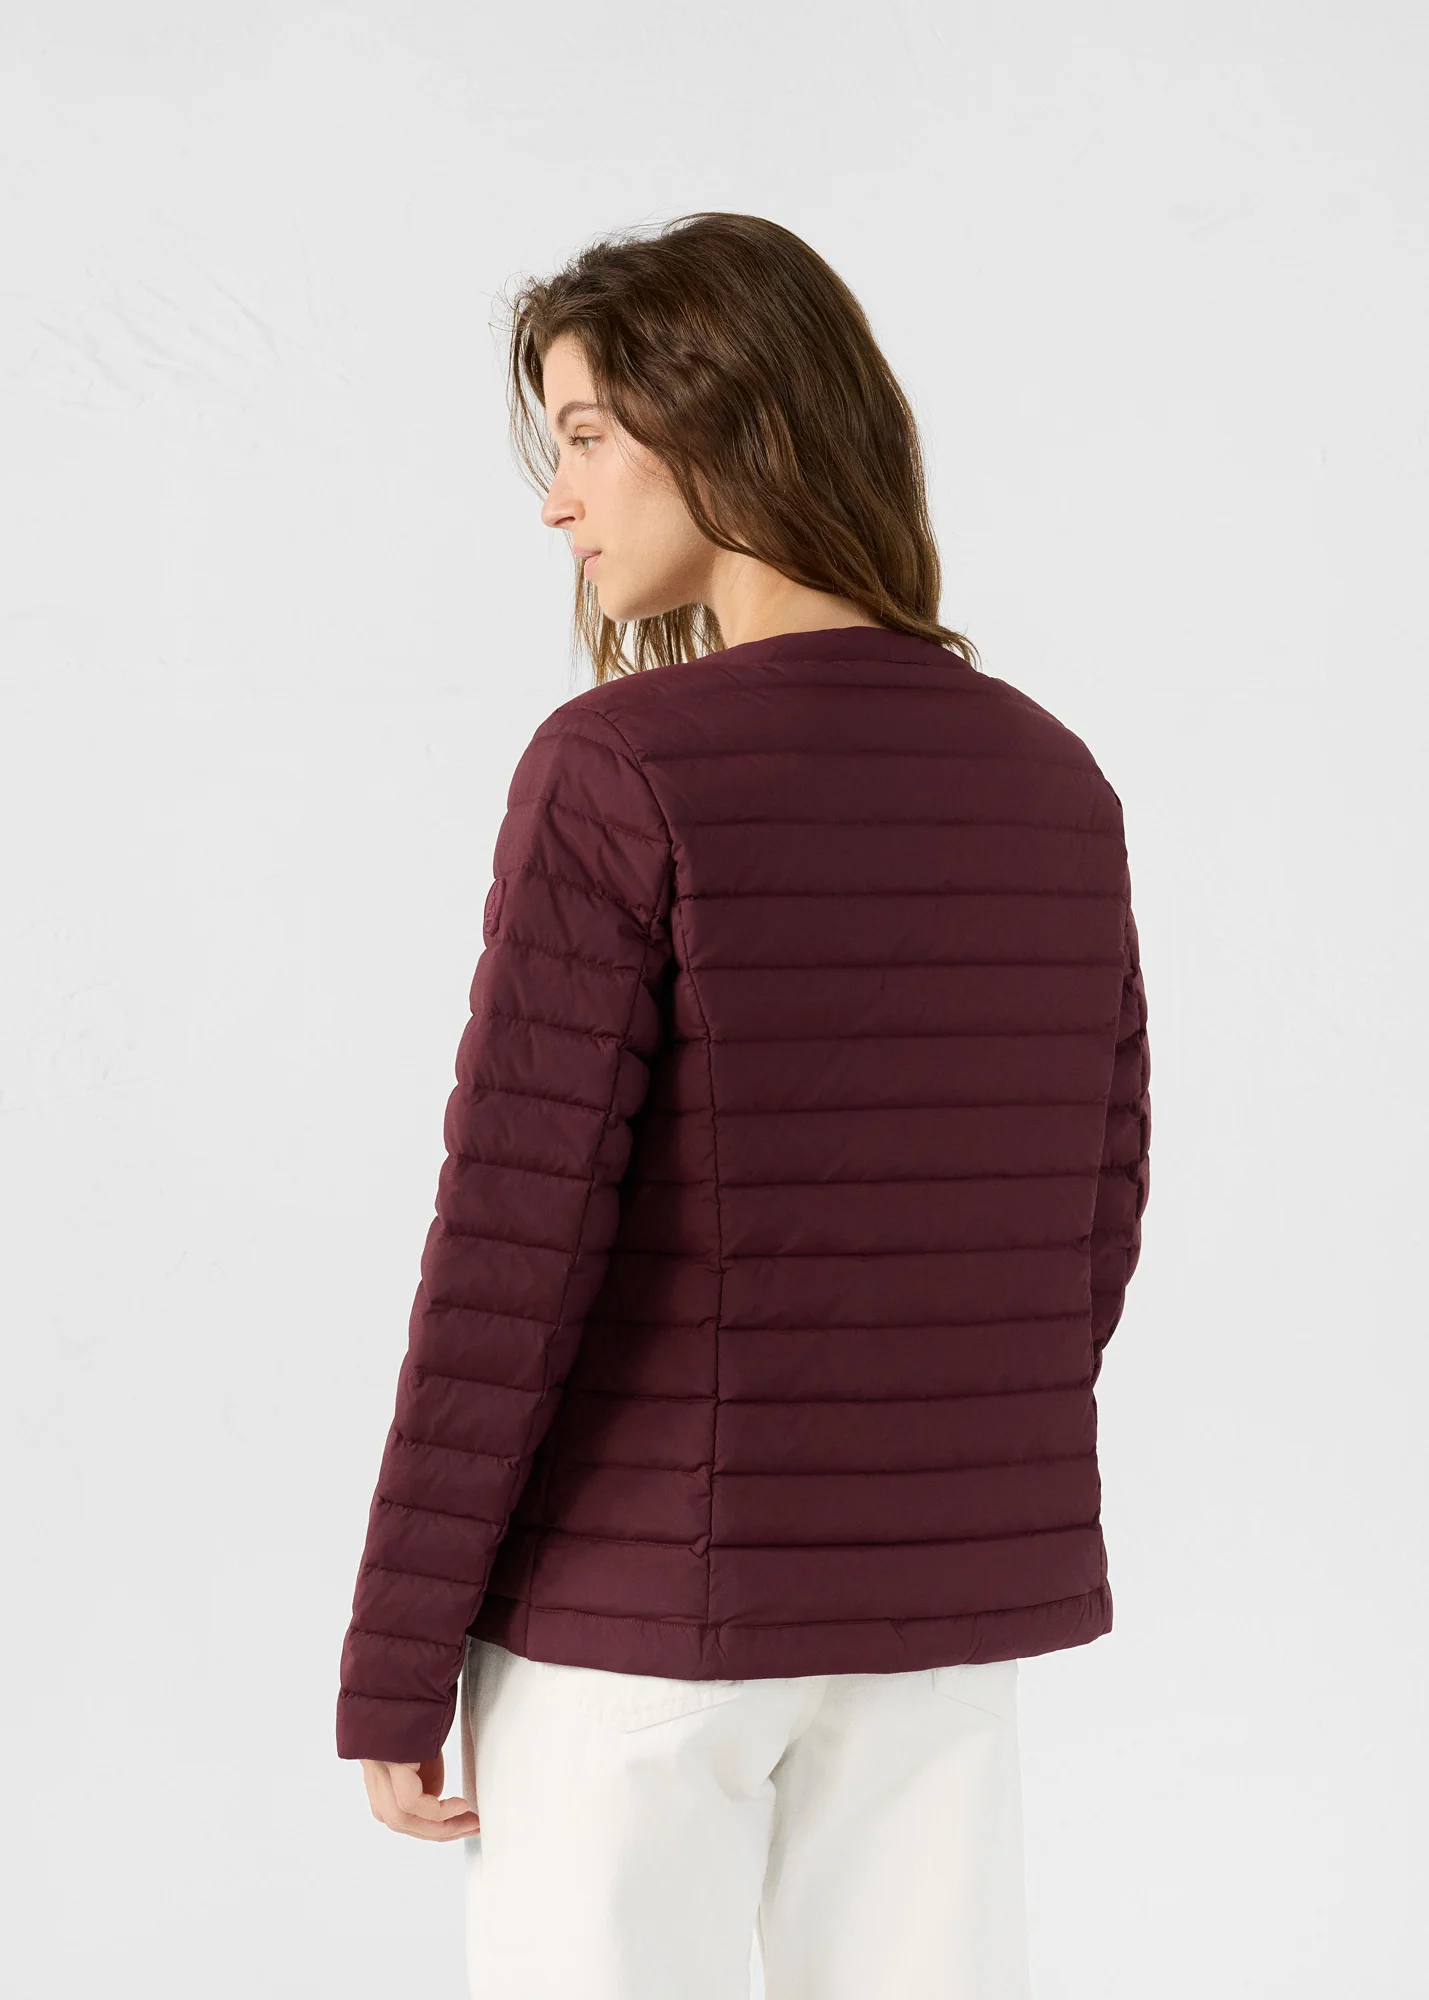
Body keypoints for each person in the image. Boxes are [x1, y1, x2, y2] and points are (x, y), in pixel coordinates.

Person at [335, 211, 1151, 2000]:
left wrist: (397, 1651)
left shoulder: (618, 767)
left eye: (585, 433)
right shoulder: (1054, 779)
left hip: (638, 1635)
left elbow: (512, 1248)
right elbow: (1087, 1227)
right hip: (937, 1632)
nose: (557, 499)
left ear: (721, 415)